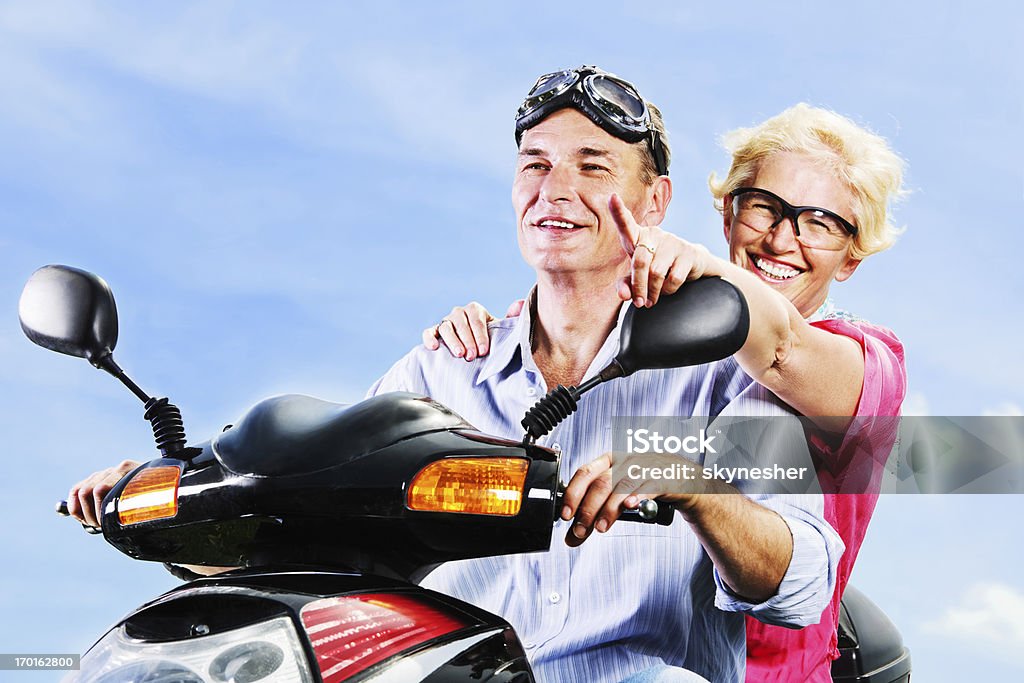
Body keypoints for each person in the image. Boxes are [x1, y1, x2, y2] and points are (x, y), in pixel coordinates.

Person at [66, 67, 842, 683]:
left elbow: (802, 582)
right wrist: (162, 514)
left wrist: (688, 480)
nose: (556, 189)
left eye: (592, 166)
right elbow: (316, 534)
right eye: (535, 163)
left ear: (656, 199)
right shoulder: (440, 368)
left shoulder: (720, 374)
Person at [424, 102, 908, 682]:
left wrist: (703, 269)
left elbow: (781, 350)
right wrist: (512, 333)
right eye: (764, 208)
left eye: (820, 223)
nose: (783, 239)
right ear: (729, 214)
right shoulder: (670, 342)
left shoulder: (860, 362)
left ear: (852, 255)